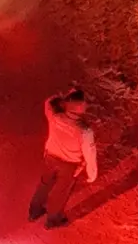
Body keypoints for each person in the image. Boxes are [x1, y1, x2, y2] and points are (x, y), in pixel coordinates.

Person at [28, 89, 97, 229]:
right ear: (83, 109)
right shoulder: (85, 131)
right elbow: (89, 153)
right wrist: (92, 173)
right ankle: (52, 220)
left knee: (44, 185)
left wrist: (60, 95)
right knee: (60, 192)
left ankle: (34, 212)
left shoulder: (55, 117)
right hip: (69, 166)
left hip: (50, 158)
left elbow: (48, 103)